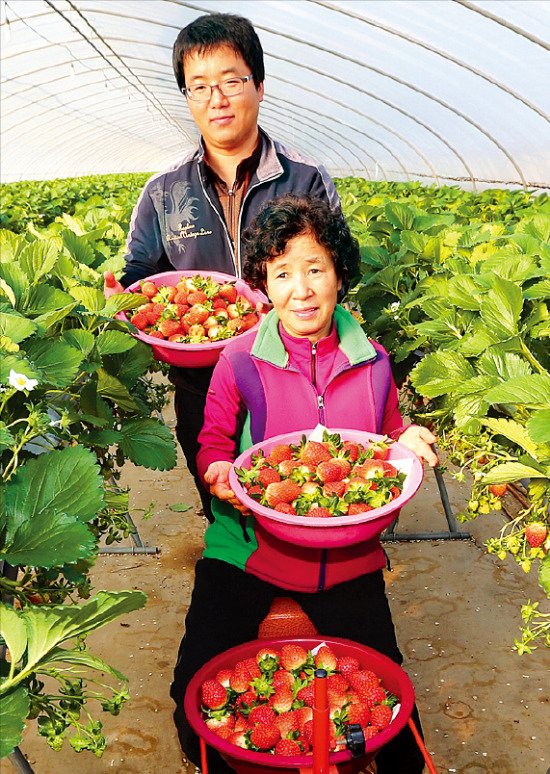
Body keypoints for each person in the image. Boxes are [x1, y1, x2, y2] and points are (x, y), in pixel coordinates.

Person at [170, 194, 438, 774]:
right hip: (247, 551)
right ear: (264, 281)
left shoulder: (375, 362)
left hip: (350, 558)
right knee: (191, 691)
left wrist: (408, 438)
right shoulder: (238, 359)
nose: (302, 289)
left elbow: (386, 437)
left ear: (339, 272)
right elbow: (214, 442)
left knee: (395, 712)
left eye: (315, 268)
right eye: (283, 272)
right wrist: (217, 470)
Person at [103, 13, 340, 521]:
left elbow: (334, 270)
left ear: (258, 84)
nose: (217, 98)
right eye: (200, 87)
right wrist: (120, 293)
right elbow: (141, 273)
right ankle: (241, 576)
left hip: (292, 376)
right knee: (222, 496)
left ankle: (292, 586)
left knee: (298, 494)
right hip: (200, 383)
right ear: (187, 97)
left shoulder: (306, 179)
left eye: (232, 81)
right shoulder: (163, 191)